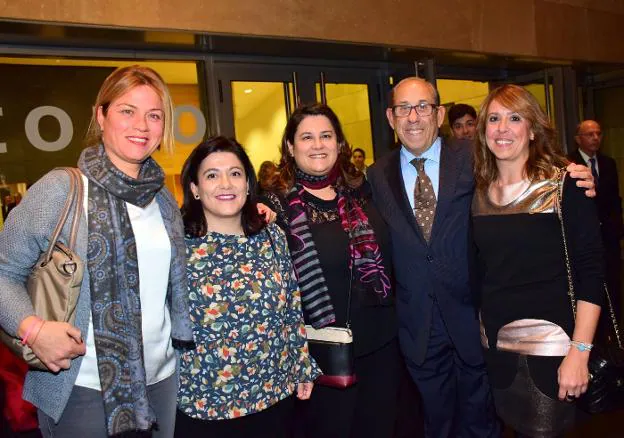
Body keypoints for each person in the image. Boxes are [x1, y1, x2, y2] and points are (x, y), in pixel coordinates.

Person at [366, 77, 595, 438]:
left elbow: (521, 162)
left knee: (486, 424)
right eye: (403, 109)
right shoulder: (375, 176)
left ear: (439, 114)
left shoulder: (472, 157)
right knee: (435, 425)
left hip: (477, 321)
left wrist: (574, 172)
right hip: (418, 328)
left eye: (423, 106)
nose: (413, 117)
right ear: (390, 117)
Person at [0, 65, 193, 438]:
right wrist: (34, 330)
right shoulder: (62, 189)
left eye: (154, 115)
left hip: (162, 381)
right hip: (82, 386)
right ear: (100, 115)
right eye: (127, 110)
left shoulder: (163, 199)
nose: (141, 125)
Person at [262, 103, 400, 438]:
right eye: (306, 137)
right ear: (290, 148)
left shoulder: (364, 190)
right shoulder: (273, 205)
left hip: (381, 345)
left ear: (339, 143)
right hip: (319, 356)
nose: (318, 144)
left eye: (326, 135)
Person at [472, 84, 603, 437]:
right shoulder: (477, 191)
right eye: (494, 119)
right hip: (496, 347)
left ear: (532, 130)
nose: (502, 129)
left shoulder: (565, 186)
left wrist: (580, 352)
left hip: (553, 346)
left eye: (515, 118)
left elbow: (592, 273)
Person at [174, 136, 319, 438]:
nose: (225, 183)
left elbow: (292, 309)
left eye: (235, 173)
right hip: (206, 406)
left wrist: (302, 364)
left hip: (275, 399)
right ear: (195, 189)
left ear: (248, 184)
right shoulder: (176, 247)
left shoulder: (272, 238)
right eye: (212, 175)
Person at [568, 120, 623, 323]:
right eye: (589, 134)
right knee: (590, 287)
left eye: (598, 134)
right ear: (578, 139)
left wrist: (617, 228)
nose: (595, 138)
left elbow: (615, 200)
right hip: (585, 239)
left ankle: (614, 337)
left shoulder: (608, 163)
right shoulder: (569, 165)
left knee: (614, 287)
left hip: (608, 239)